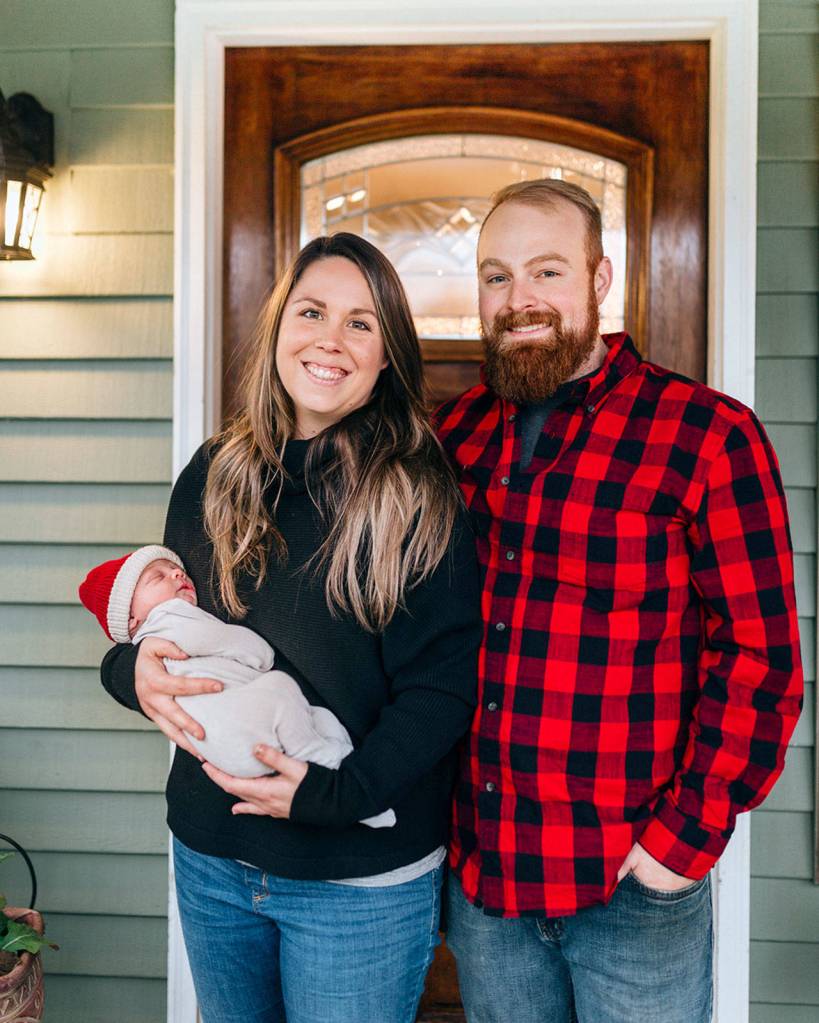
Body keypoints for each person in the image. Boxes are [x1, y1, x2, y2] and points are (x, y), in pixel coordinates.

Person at [435, 179, 804, 1023]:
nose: (518, 299)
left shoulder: (706, 435)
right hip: (486, 879)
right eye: (496, 277)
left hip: (630, 884)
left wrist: (679, 843)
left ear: (600, 280)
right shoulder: (450, 436)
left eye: (546, 272)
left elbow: (760, 657)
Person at [99, 233, 481, 1023]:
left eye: (360, 324)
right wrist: (126, 672)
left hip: (357, 877)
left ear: (387, 358)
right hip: (214, 856)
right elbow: (169, 623)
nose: (329, 341)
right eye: (311, 312)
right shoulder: (214, 472)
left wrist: (336, 795)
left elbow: (441, 689)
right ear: (279, 327)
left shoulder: (418, 498)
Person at [79, 544, 394, 827]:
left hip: (229, 747)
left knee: (318, 718)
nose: (177, 572)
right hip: (239, 734)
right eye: (157, 577)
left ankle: (339, 768)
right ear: (132, 619)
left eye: (176, 569)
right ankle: (318, 762)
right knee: (280, 687)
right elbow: (227, 643)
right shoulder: (169, 620)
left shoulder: (165, 629)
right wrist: (257, 652)